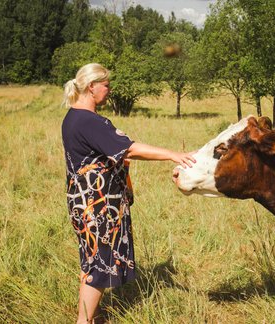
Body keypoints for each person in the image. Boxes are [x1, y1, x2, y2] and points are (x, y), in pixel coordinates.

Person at [61, 63, 195, 323]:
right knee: (99, 264)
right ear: (92, 87)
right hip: (98, 206)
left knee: (91, 258)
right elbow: (129, 150)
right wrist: (173, 154)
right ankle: (83, 321)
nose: (109, 90)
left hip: (80, 202)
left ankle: (95, 316)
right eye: (106, 85)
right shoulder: (90, 121)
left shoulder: (72, 118)